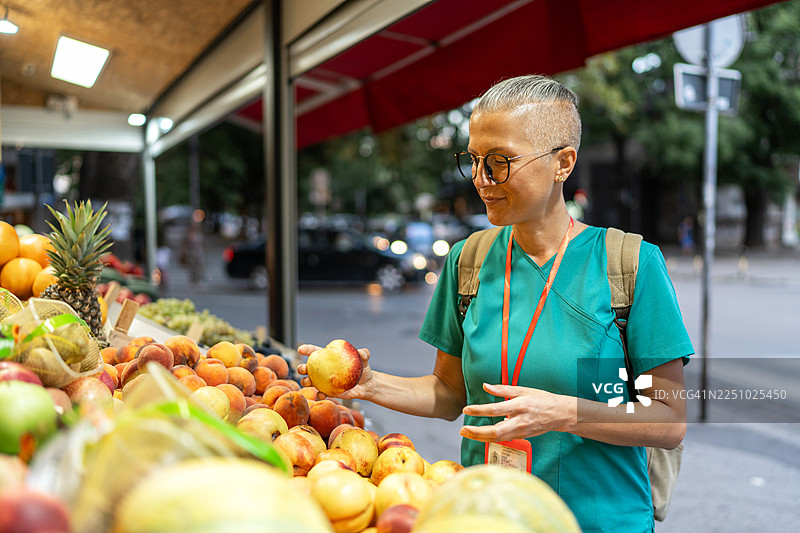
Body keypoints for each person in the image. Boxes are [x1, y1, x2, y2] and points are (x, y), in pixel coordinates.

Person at [298, 75, 693, 533]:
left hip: (601, 523)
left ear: (563, 163)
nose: (482, 180)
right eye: (475, 161)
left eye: (500, 162)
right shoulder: (468, 261)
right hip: (485, 520)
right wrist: (368, 384)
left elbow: (668, 421)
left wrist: (563, 413)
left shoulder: (629, 265)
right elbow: (449, 395)